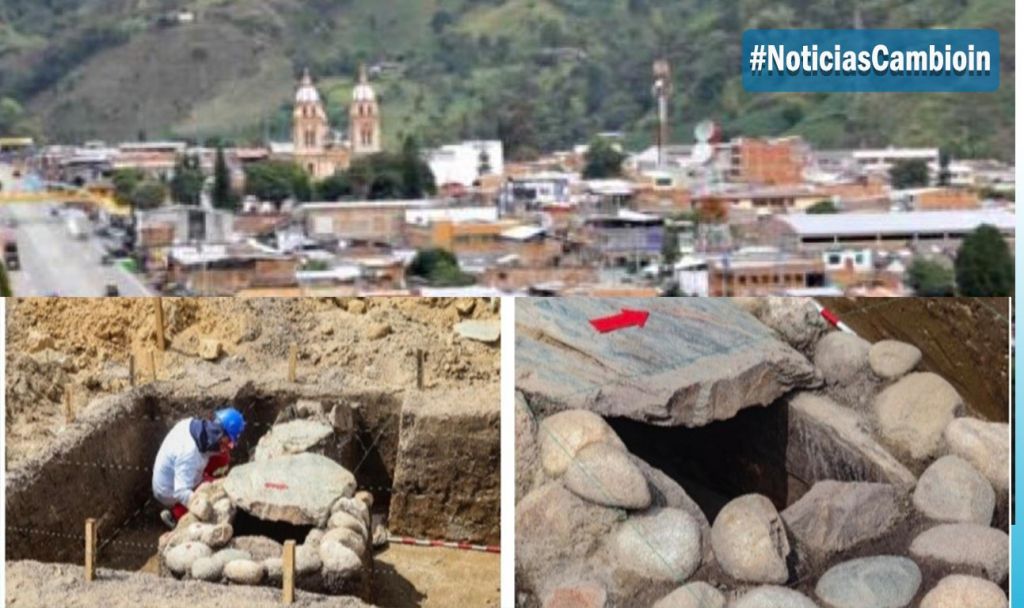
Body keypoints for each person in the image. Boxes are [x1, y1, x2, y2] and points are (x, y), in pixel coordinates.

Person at [152, 407, 245, 529]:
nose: (232, 446)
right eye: (229, 442)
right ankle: (174, 516)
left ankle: (204, 478)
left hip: (180, 472)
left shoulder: (199, 429)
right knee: (208, 497)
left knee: (223, 457)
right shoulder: (189, 454)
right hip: (169, 491)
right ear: (220, 434)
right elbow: (181, 492)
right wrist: (202, 507)